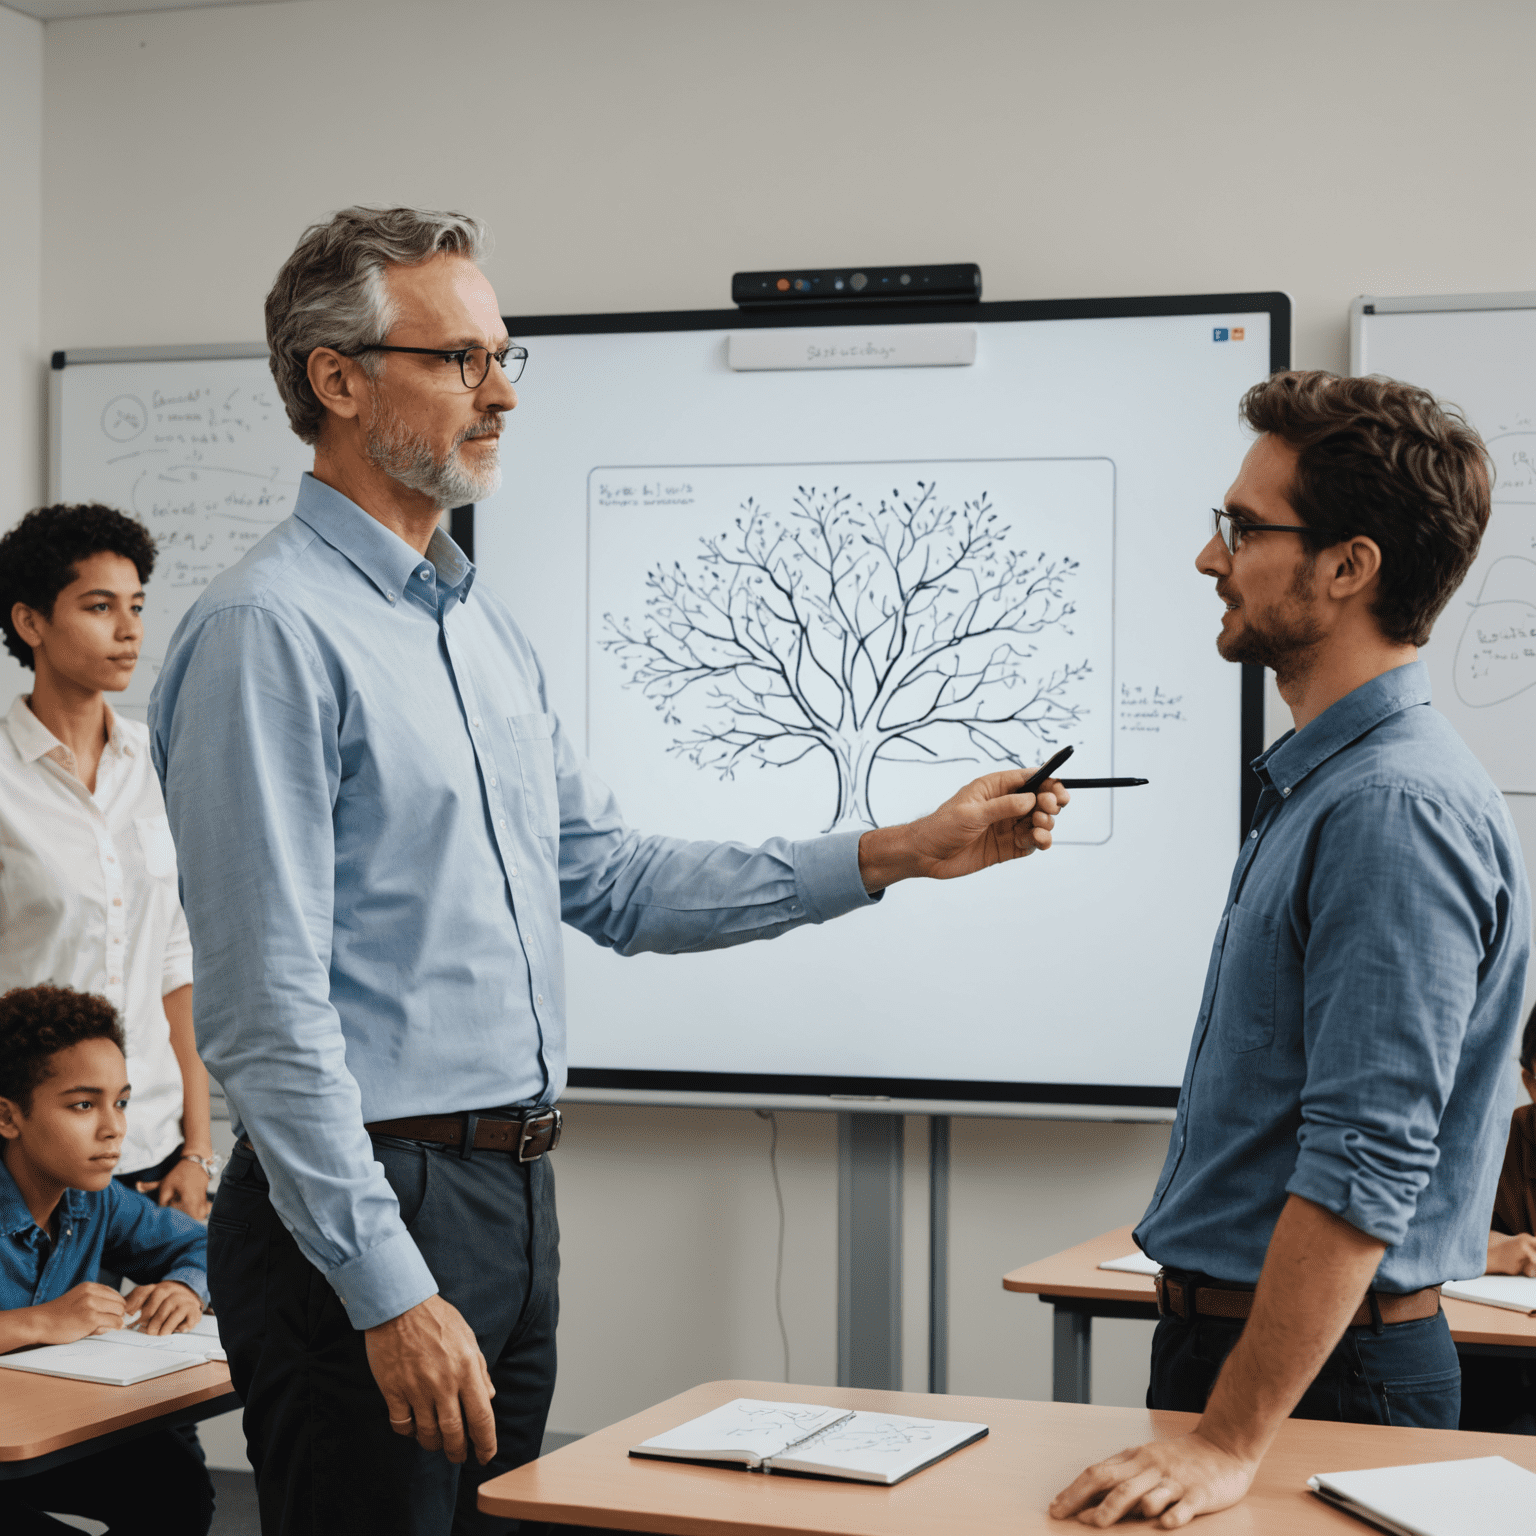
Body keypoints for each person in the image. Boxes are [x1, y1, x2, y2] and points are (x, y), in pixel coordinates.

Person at [148, 205, 1070, 1536]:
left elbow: (614, 882)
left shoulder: (477, 630)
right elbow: (265, 1018)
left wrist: (898, 852)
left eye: (505, 355)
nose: (502, 391)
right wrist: (389, 1288)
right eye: (460, 358)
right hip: (368, 1203)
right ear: (335, 379)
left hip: (512, 1196)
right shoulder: (265, 635)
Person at [1051, 371, 1530, 1529]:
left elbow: (1365, 1158)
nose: (1211, 559)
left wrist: (1226, 1442)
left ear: (1349, 567)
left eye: (1242, 529)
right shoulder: (1330, 786)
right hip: (1259, 1361)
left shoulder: (1389, 810)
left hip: (1319, 1385)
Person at [0, 505, 218, 1222]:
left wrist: (196, 1148)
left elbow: (176, 968)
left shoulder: (160, 765)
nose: (129, 631)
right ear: (30, 623)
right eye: (99, 607)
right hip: (25, 1157)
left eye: (136, 607)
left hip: (151, 1150)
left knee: (162, 1330)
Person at [0, 983, 214, 1536]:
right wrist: (36, 1323)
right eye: (82, 1105)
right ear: (7, 1117)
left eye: (119, 1101)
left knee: (172, 1484)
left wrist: (186, 1287)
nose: (113, 1127)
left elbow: (205, 1245)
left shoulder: (94, 1199)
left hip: (35, 1437)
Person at [1460, 1000, 1536, 1434]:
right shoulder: (1498, 1143)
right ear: (1529, 1082)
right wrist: (1503, 1250)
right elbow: (1431, 1236)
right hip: (1510, 1364)